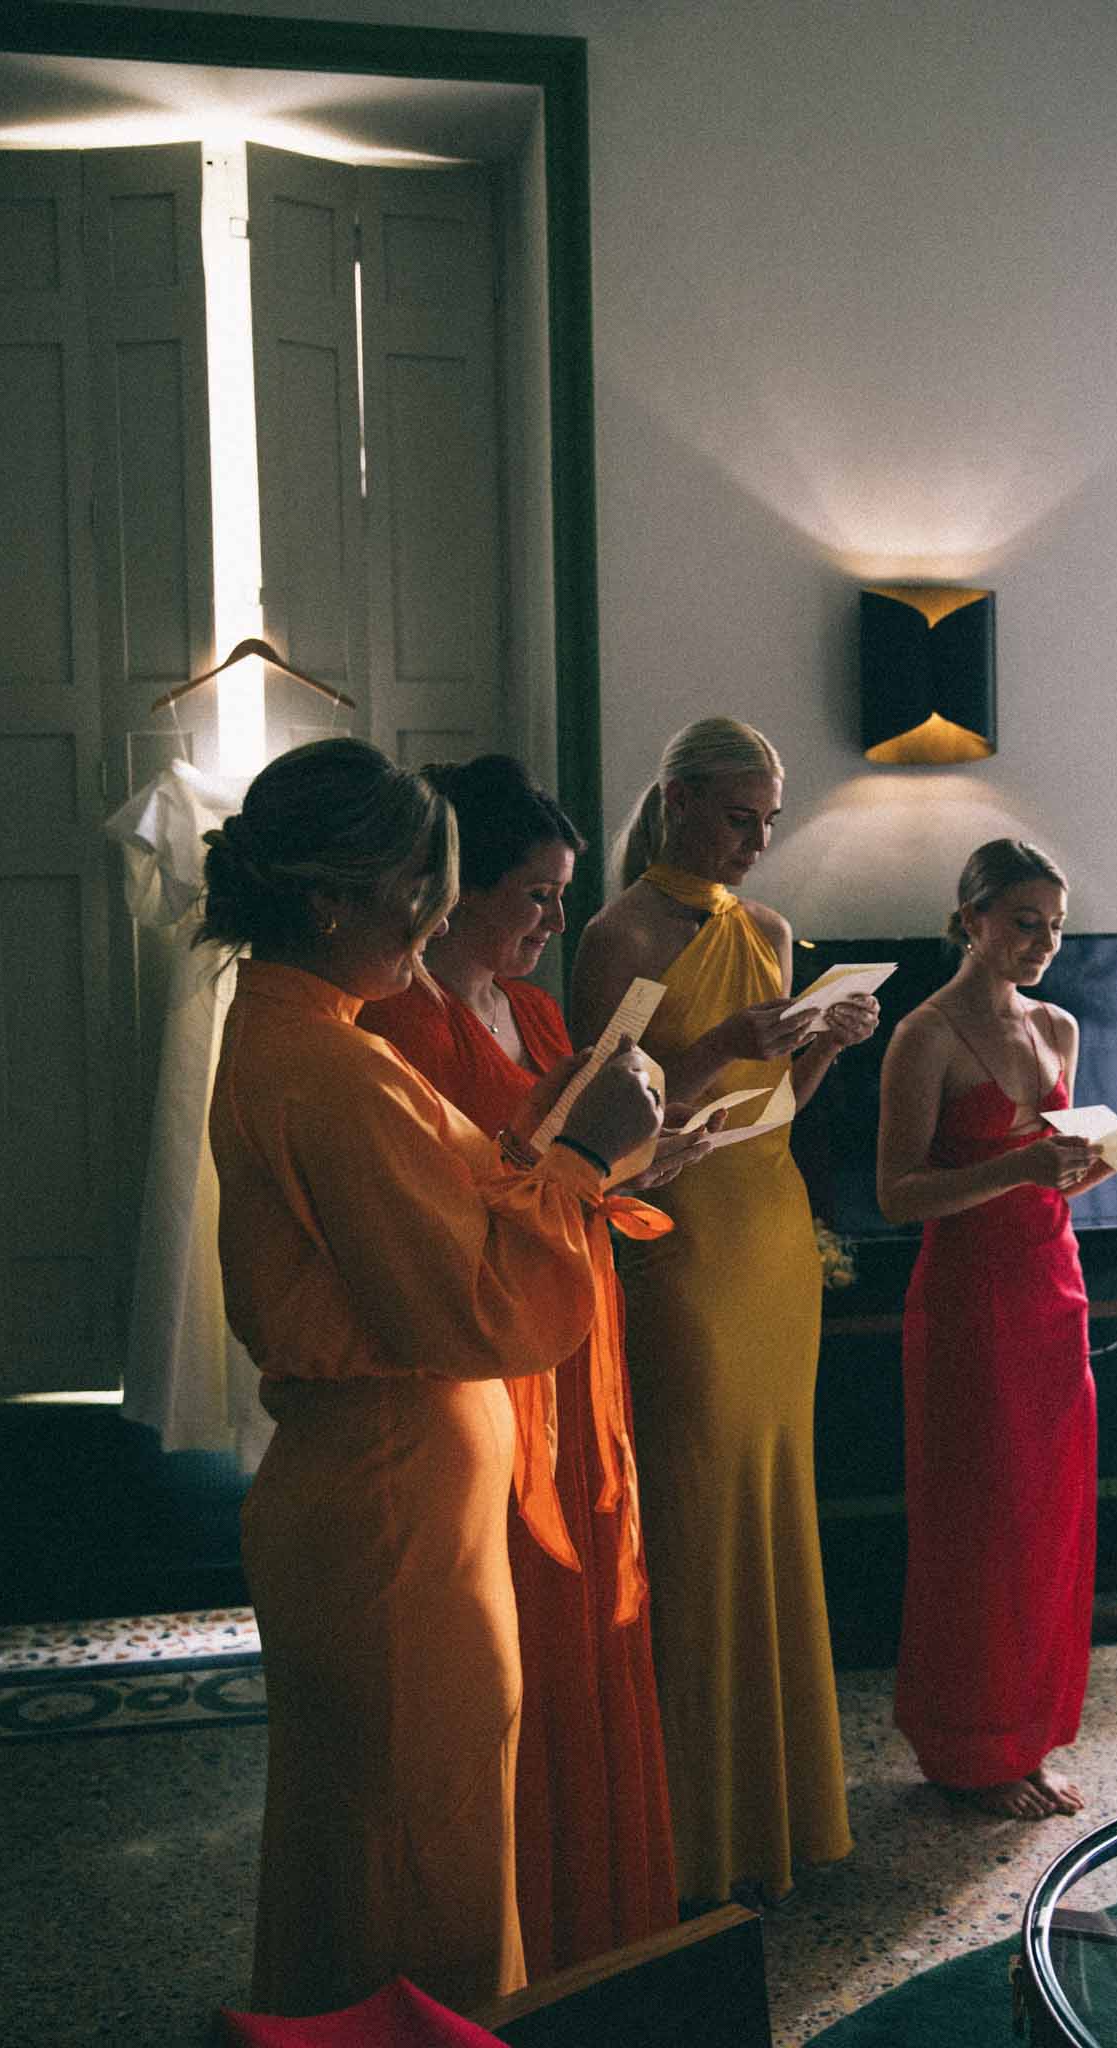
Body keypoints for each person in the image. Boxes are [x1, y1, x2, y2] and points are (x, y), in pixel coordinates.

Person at [199, 737, 661, 2016]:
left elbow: (452, 1190)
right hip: (391, 1509)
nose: (436, 915)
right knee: (422, 1857)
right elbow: (469, 1301)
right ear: (331, 898)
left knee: (380, 1837)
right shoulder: (332, 1065)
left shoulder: (303, 1029)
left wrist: (553, 1137)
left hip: (391, 1498)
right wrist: (584, 1161)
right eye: (422, 888)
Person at [359, 753, 686, 1975]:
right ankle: (522, 1927)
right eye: (535, 894)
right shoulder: (399, 1025)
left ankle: (598, 1916)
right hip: (491, 1350)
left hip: (579, 1325)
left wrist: (658, 1146)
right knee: (518, 1620)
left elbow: (581, 1170)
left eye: (561, 894)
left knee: (595, 1592)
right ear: (457, 891)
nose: (555, 919)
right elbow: (441, 1210)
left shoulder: (539, 1014)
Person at [570, 716, 880, 1906]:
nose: (756, 841)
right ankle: (690, 1831)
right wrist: (713, 1045)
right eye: (739, 817)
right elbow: (602, 1116)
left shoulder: (772, 931)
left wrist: (823, 1044)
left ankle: (776, 1812)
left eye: (768, 821)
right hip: (682, 1237)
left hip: (770, 1232)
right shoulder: (619, 934)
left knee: (773, 1500)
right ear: (680, 800)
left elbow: (776, 1104)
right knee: (696, 1512)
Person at [876, 838, 1117, 1820]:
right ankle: (968, 1749)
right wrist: (1014, 1169)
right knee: (979, 1527)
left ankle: (1026, 1737)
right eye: (1025, 922)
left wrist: (1106, 1159)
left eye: (1056, 926)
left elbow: (1057, 1174)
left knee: (1049, 1520)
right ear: (971, 918)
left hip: (1052, 1291)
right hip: (969, 1302)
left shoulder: (1058, 1026)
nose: (1043, 943)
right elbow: (897, 1193)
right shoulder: (925, 1035)